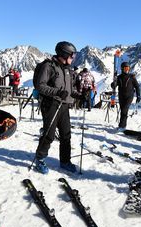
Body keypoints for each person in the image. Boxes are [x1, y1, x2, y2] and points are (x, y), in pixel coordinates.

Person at [33, 41, 80, 174]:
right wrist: (57, 92)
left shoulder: (67, 69)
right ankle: (40, 159)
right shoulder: (49, 66)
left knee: (66, 135)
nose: (73, 58)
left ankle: (65, 161)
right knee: (49, 134)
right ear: (64, 54)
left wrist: (80, 95)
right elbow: (40, 86)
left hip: (64, 106)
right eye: (72, 56)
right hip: (51, 105)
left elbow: (69, 90)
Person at [111, 62, 141, 132]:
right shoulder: (119, 77)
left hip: (129, 96)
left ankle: (122, 126)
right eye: (125, 68)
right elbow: (113, 86)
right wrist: (114, 83)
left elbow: (137, 86)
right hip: (121, 96)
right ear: (122, 69)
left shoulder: (132, 77)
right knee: (123, 110)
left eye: (128, 68)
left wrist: (138, 95)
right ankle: (122, 125)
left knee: (124, 110)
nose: (127, 70)